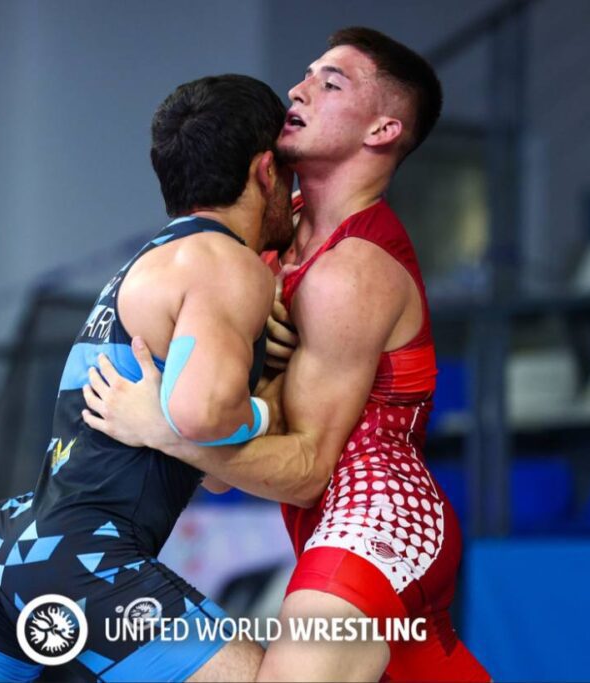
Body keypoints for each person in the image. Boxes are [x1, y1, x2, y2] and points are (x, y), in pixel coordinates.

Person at [83, 27, 490, 682]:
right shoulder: (268, 239)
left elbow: (304, 470)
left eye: (332, 83)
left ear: (383, 130)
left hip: (382, 517)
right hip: (319, 518)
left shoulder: (352, 272)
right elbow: (225, 468)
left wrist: (165, 427)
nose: (298, 90)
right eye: (306, 75)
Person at [0, 74, 295, 682]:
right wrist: (270, 409)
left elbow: (214, 470)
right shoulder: (226, 264)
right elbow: (203, 417)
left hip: (7, 542)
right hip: (85, 556)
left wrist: (250, 381)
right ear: (266, 171)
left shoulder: (156, 260)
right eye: (291, 173)